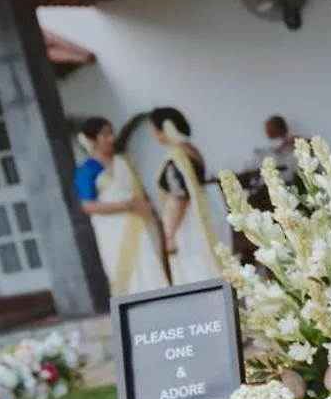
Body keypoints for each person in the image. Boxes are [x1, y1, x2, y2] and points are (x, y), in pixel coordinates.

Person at [73, 117, 167, 297]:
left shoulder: (124, 162)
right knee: (126, 271)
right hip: (114, 231)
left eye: (111, 133)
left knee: (150, 263)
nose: (111, 138)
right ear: (92, 140)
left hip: (142, 223)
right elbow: (88, 206)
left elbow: (140, 193)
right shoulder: (88, 170)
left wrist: (154, 216)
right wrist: (124, 205)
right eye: (104, 134)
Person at [149, 106, 227, 283]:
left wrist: (169, 235)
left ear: (165, 129)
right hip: (203, 213)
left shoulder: (177, 156)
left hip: (188, 223)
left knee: (196, 272)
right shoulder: (191, 149)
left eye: (155, 131)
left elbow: (180, 197)